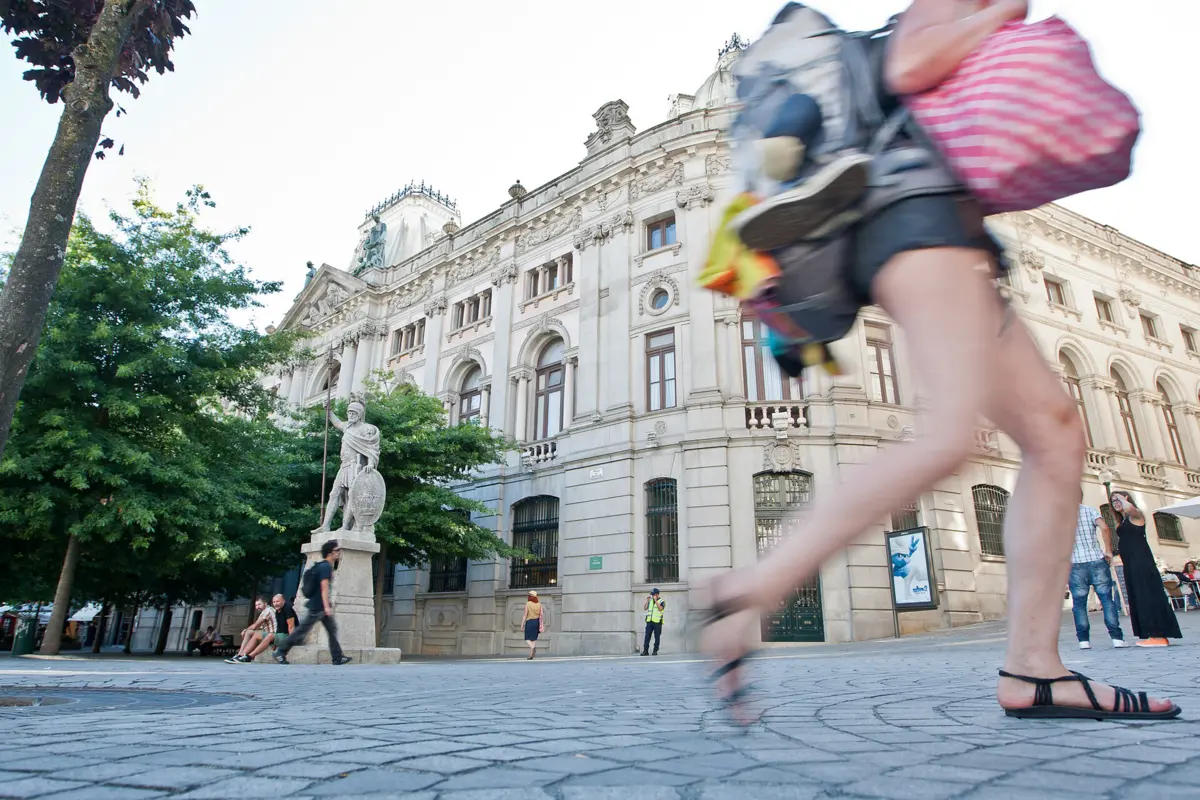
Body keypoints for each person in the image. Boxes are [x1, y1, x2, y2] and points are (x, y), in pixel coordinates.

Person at [699, 0, 1180, 722]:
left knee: (1055, 433)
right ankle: (747, 594)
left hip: (940, 224)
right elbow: (911, 62)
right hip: (909, 213)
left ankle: (1034, 670)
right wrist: (1001, 15)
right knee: (950, 434)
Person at [1111, 492, 1182, 647]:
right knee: (1139, 596)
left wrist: (1124, 500)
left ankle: (1158, 635)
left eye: (1119, 499)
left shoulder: (1135, 516)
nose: (1115, 502)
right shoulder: (1123, 521)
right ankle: (1151, 634)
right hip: (1131, 564)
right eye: (1113, 500)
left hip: (1141, 562)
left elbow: (1131, 509)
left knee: (1147, 595)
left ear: (1127, 499)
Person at [276, 540, 352, 665]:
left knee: (332, 630)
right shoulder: (325, 567)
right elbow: (324, 587)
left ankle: (338, 657)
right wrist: (327, 606)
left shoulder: (323, 566)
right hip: (318, 606)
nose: (339, 553)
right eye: (336, 550)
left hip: (319, 605)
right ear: (330, 552)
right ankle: (281, 651)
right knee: (302, 630)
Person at [1068, 495, 1127, 650]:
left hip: (1075, 564)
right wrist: (1108, 551)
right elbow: (1105, 528)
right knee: (1107, 600)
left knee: (1079, 604)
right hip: (1096, 560)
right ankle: (1117, 638)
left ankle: (1083, 641)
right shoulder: (1090, 511)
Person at [247, 594, 297, 661]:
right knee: (257, 635)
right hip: (280, 635)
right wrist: (275, 642)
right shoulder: (277, 611)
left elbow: (291, 627)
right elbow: (279, 627)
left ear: (283, 601)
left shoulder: (288, 609)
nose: (275, 604)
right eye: (274, 602)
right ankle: (241, 655)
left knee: (270, 636)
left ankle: (249, 656)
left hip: (288, 636)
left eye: (277, 601)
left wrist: (290, 642)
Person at [226, 597, 276, 664]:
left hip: (271, 634)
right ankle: (239, 655)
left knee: (256, 634)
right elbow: (258, 627)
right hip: (266, 633)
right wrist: (247, 630)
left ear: (265, 604)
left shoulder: (268, 611)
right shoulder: (264, 611)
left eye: (259, 604)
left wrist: (245, 629)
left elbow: (255, 626)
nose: (257, 607)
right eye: (256, 605)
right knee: (249, 632)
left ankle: (242, 656)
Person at [641, 589, 666, 656]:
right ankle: (645, 651)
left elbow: (660, 609)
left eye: (653, 594)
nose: (652, 596)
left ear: (657, 594)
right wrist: (647, 601)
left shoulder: (662, 601)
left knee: (657, 637)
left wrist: (655, 601)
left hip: (657, 622)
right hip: (649, 621)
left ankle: (655, 651)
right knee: (647, 637)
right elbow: (645, 608)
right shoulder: (650, 601)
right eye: (651, 594)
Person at [523, 590, 544, 660]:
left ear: (530, 596)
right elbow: (541, 615)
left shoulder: (528, 603)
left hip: (529, 622)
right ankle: (531, 655)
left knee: (527, 638)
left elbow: (525, 615)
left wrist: (522, 624)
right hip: (536, 622)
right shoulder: (539, 604)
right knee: (533, 639)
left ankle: (533, 648)